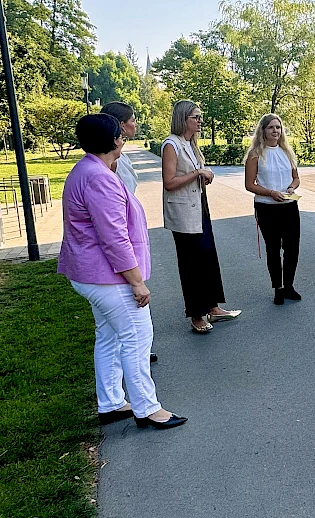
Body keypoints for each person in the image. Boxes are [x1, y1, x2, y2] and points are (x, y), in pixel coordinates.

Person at [58, 113, 186, 430]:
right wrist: (136, 282)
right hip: (106, 276)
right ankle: (147, 409)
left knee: (110, 337)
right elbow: (113, 236)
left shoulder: (86, 169)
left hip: (90, 274)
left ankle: (112, 403)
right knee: (137, 338)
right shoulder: (99, 177)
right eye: (122, 136)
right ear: (116, 140)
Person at [161, 99, 241, 333]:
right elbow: (169, 182)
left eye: (200, 117)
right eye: (196, 117)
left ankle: (213, 307)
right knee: (191, 264)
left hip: (199, 206)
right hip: (183, 212)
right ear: (183, 118)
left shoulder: (190, 144)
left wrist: (204, 175)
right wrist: (198, 172)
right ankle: (196, 314)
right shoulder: (171, 145)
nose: (200, 121)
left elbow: (193, 175)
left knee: (208, 257)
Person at [101, 101, 158, 362]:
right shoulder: (110, 166)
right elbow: (114, 224)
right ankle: (137, 363)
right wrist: (135, 279)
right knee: (134, 328)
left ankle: (112, 397)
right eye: (132, 120)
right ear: (121, 126)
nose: (136, 124)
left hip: (120, 248)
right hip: (119, 253)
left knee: (106, 332)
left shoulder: (117, 160)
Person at [244, 114, 302, 305]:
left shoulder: (287, 152)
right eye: (271, 127)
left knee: (292, 248)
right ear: (263, 130)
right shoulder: (255, 155)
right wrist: (270, 193)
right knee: (273, 248)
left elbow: (296, 178)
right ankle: (277, 287)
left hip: (289, 205)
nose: (275, 131)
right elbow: (249, 184)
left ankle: (289, 286)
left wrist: (292, 188)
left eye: (278, 127)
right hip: (267, 207)